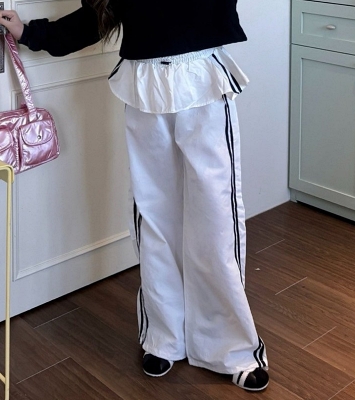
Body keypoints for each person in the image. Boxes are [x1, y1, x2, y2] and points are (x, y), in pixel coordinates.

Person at [0, 1, 269, 391]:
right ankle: (163, 336)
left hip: (202, 76)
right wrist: (32, 33)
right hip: (144, 82)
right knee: (153, 216)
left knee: (215, 218)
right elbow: (98, 15)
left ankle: (233, 349)